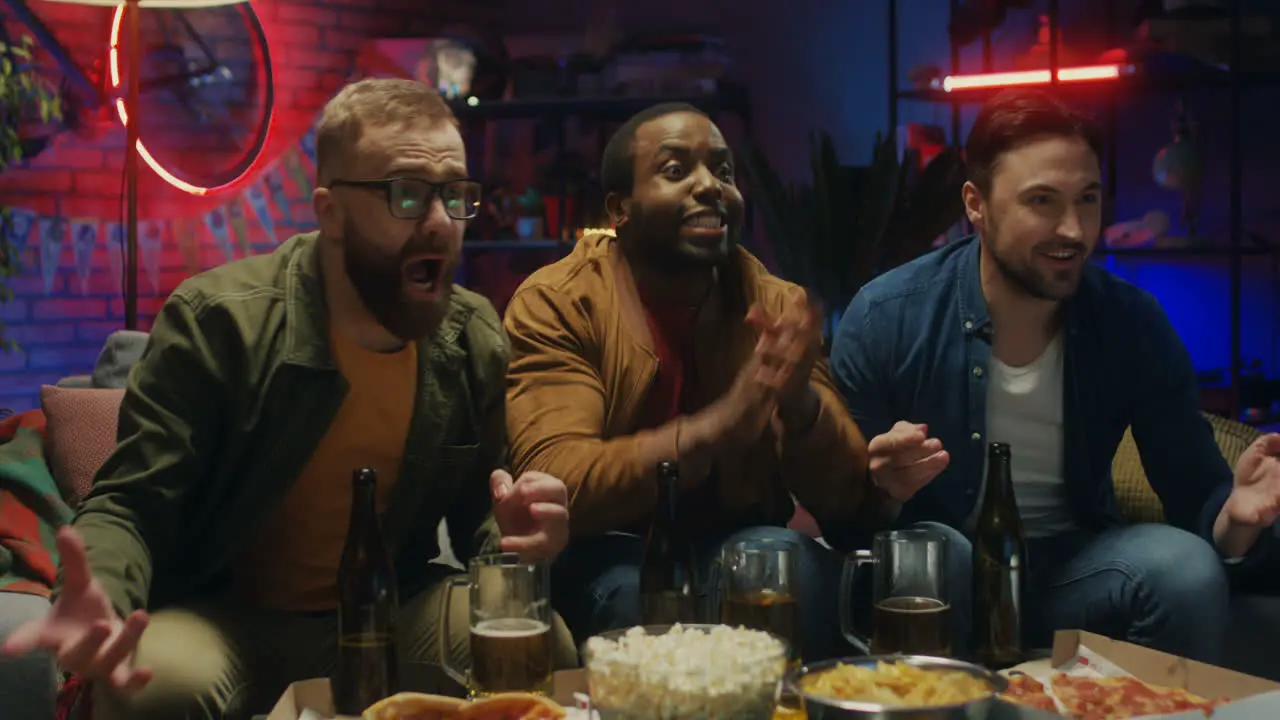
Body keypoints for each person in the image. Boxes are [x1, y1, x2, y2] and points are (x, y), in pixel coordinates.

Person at [0, 78, 578, 719]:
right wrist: (98, 598)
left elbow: (481, 519)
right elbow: (133, 503)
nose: (441, 223)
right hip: (225, 616)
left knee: (543, 641)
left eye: (456, 195)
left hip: (390, 610)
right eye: (407, 194)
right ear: (329, 211)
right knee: (153, 687)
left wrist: (514, 535)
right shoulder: (217, 321)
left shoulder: (471, 335)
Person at [830, 87, 1280, 664]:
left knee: (1185, 569)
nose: (1072, 229)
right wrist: (884, 493)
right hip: (943, 574)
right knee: (939, 553)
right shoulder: (885, 315)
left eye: (1087, 199)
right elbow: (846, 526)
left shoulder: (1131, 323)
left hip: (1078, 568)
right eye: (1041, 201)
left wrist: (1237, 519)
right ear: (976, 204)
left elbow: (1198, 494)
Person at [503, 103, 877, 661]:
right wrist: (716, 428)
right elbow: (557, 482)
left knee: (799, 569)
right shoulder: (559, 302)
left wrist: (801, 408)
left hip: (737, 542)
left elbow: (850, 505)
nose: (711, 187)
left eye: (724, 172)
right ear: (619, 208)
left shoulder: (774, 304)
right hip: (608, 549)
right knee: (637, 596)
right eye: (676, 171)